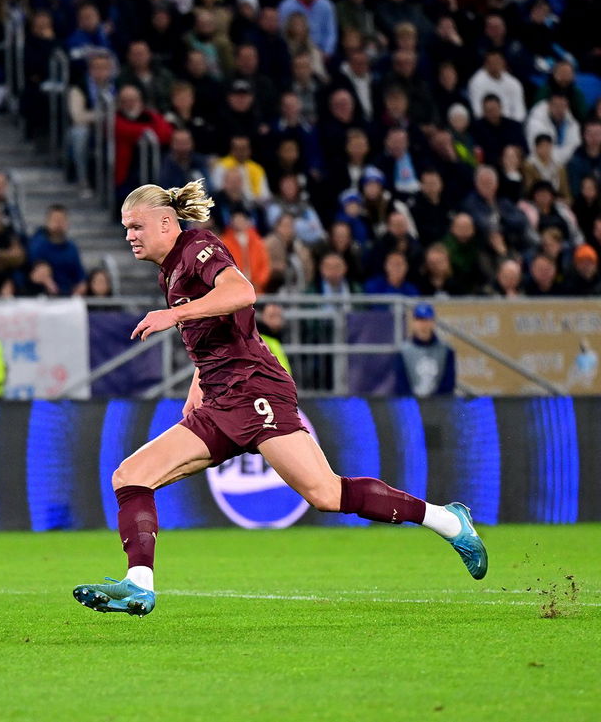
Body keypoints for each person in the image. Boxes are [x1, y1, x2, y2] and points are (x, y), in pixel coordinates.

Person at [72, 181, 488, 618]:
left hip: (255, 391)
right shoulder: (170, 270)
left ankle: (447, 520)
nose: (129, 236)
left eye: (135, 226)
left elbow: (242, 292)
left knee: (326, 494)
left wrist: (172, 315)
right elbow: (220, 326)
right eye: (125, 228)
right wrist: (198, 381)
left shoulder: (197, 247)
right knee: (131, 476)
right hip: (221, 398)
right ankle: (139, 584)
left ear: (165, 222)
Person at [394, 303, 456, 397]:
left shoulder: (446, 350)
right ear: (413, 322)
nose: (423, 325)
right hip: (412, 407)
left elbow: (448, 383)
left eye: (426, 320)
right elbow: (401, 385)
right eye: (419, 320)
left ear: (432, 322)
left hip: (439, 407)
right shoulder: (403, 352)